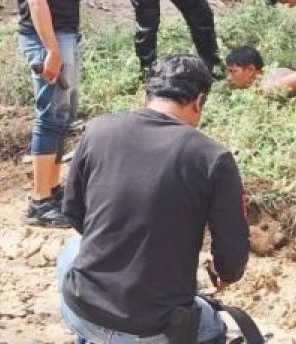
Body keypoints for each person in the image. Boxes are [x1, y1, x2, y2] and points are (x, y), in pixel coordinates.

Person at [57, 54, 250, 343]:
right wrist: (222, 270)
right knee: (212, 325)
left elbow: (73, 212)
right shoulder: (212, 158)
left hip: (83, 311)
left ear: (146, 94)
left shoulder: (98, 130)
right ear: (199, 102)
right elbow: (232, 261)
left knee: (72, 249)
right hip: (153, 330)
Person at [13, 0, 84, 228]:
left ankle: (52, 190)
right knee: (50, 116)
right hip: (49, 40)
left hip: (61, 36)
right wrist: (52, 51)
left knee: (61, 116)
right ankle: (39, 201)